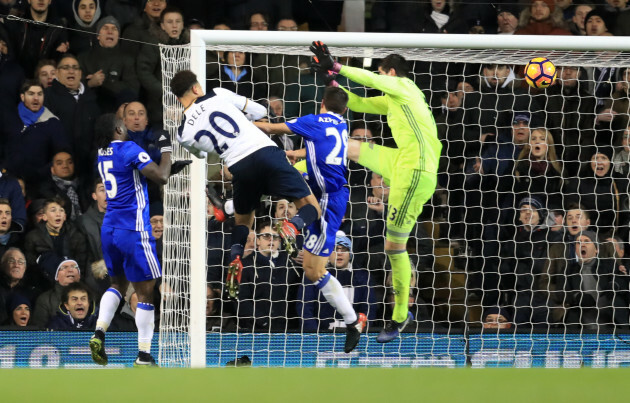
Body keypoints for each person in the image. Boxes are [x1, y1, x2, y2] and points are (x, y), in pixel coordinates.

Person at [309, 42, 442, 342]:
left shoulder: (404, 87)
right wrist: (332, 81)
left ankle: (398, 317)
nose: (379, 79)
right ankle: (298, 166)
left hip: (415, 173)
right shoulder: (396, 100)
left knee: (394, 249)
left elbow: (371, 81)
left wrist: (338, 67)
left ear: (391, 73)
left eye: (381, 74)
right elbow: (357, 102)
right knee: (348, 146)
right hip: (401, 160)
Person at [169, 71, 324, 323]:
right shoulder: (218, 93)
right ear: (197, 88)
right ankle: (292, 227)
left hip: (239, 167)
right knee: (312, 207)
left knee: (243, 222)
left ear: (178, 99)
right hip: (265, 153)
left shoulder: (183, 134)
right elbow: (260, 109)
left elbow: (200, 154)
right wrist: (243, 117)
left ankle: (236, 258)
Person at [255, 86, 368, 352]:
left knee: (315, 270)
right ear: (345, 109)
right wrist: (299, 154)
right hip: (323, 190)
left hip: (327, 200)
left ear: (321, 104)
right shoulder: (341, 124)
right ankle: (232, 207)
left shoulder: (313, 121)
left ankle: (353, 321)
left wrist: (242, 124)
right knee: (310, 268)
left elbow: (272, 129)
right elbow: (325, 147)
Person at [88, 114, 172, 367]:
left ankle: (99, 332)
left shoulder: (102, 154)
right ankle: (144, 356)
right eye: (123, 122)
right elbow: (162, 177)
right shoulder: (128, 148)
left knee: (118, 285)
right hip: (133, 230)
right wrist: (166, 150)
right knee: (146, 291)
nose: (126, 125)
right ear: (117, 128)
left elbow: (131, 175)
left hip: (110, 228)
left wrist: (158, 167)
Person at [297, 232, 375, 332]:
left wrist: (360, 332)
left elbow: (369, 309)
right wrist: (315, 336)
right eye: (334, 249)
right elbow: (305, 309)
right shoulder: (313, 275)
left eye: (344, 249)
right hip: (322, 336)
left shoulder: (363, 277)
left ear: (350, 253)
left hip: (354, 334)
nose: (339, 253)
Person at [31, 257, 81, 328]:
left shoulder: (91, 298)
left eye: (74, 267)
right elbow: (40, 331)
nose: (70, 270)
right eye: (64, 267)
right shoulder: (45, 300)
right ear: (56, 276)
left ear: (79, 276)